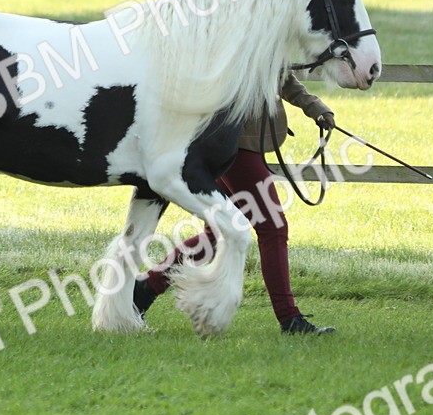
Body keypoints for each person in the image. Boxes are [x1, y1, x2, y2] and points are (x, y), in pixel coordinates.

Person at [132, 72, 337, 335]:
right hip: (234, 143)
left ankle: (146, 288)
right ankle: (290, 320)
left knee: (218, 233)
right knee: (272, 227)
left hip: (243, 141)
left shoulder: (265, 34)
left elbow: (280, 74)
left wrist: (314, 107)